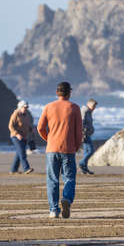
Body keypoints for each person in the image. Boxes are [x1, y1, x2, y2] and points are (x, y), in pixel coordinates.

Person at [37, 82, 83, 219]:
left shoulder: (48, 107)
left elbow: (40, 128)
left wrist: (49, 139)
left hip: (52, 148)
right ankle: (67, 200)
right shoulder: (74, 108)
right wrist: (76, 145)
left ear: (57, 92)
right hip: (68, 149)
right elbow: (78, 132)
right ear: (69, 93)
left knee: (52, 180)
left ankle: (54, 210)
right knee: (69, 178)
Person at [8, 100, 34, 174]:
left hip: (24, 137)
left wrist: (30, 129)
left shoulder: (26, 115)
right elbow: (10, 126)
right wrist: (16, 134)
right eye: (24, 107)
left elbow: (27, 125)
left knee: (19, 154)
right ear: (20, 107)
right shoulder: (15, 114)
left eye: (26, 107)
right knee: (22, 153)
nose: (26, 109)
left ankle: (13, 170)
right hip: (16, 137)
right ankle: (26, 168)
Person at [79, 99, 98, 174]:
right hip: (84, 134)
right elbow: (81, 122)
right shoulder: (85, 111)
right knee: (91, 151)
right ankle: (81, 163)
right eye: (93, 106)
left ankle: (84, 168)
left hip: (87, 134)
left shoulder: (89, 112)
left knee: (86, 151)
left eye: (95, 106)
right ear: (88, 105)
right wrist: (82, 133)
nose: (94, 108)